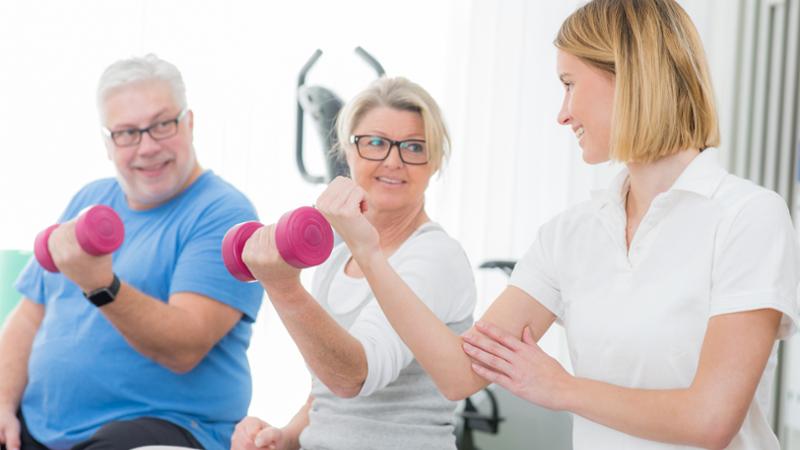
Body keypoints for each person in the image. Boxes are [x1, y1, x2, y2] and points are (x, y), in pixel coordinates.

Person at [314, 1, 800, 449]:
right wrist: (370, 254)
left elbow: (711, 418)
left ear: (629, 76)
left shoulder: (746, 217)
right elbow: (460, 373)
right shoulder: (571, 235)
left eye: (569, 84)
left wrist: (562, 388)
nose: (562, 115)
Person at [0, 54, 264, 450]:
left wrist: (100, 285)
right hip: (40, 426)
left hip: (160, 427)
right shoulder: (88, 199)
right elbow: (28, 316)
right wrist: (3, 402)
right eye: (127, 133)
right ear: (108, 143)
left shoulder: (225, 214)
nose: (147, 147)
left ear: (190, 123)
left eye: (162, 125)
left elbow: (184, 347)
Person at [230, 77, 476, 450]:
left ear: (436, 161)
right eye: (375, 142)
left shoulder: (435, 257)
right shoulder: (337, 255)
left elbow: (354, 376)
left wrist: (284, 288)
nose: (393, 161)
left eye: (414, 147)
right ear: (347, 151)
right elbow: (326, 392)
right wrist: (287, 437)